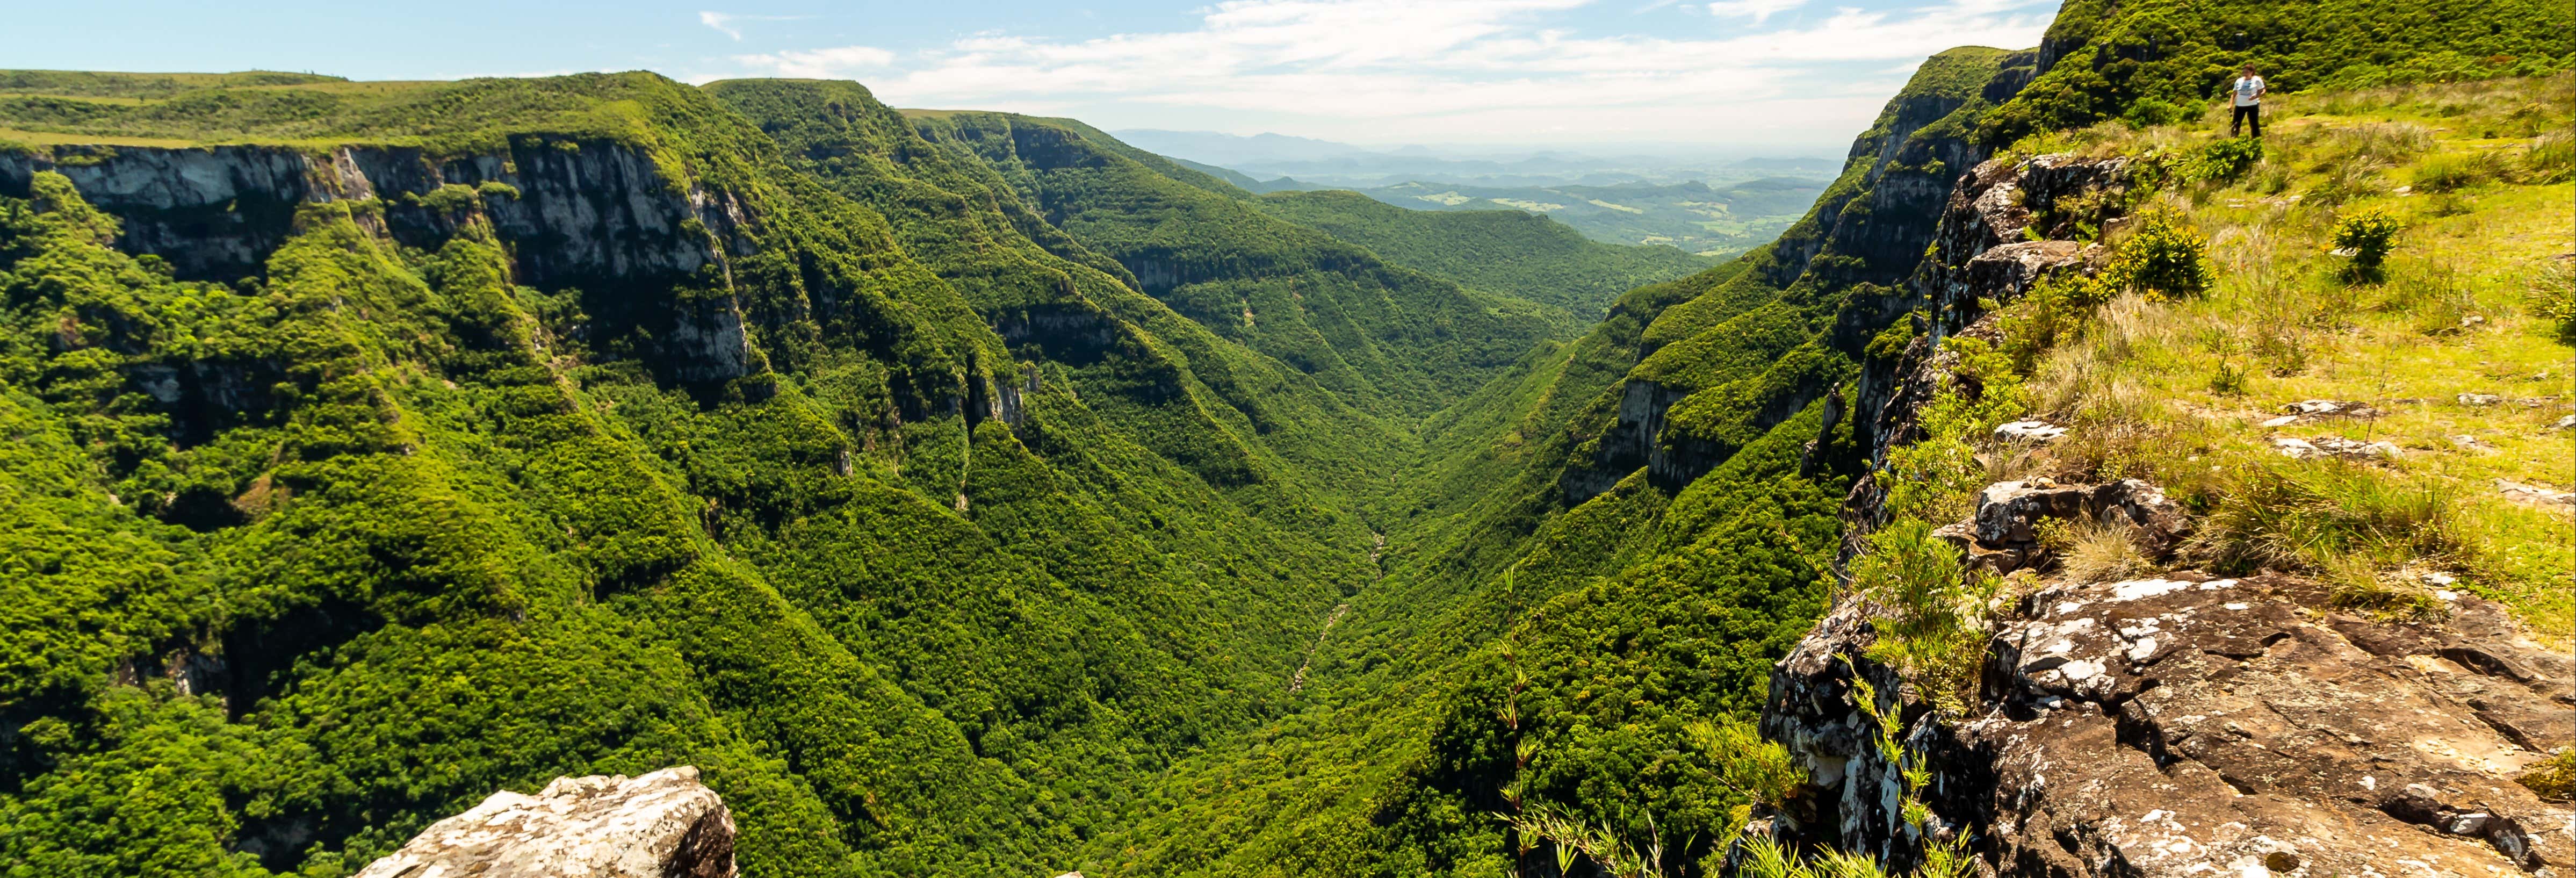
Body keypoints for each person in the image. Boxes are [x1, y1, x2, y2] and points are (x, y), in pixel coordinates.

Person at [2230, 64, 2267, 138]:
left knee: (2254, 123)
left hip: (2253, 105)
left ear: (2252, 72)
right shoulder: (2239, 81)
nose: (2245, 73)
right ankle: (2234, 138)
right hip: (2240, 105)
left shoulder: (2256, 80)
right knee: (2236, 123)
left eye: (2247, 71)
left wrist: (2256, 96)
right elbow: (2234, 94)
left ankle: (2256, 139)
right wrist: (2230, 104)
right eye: (2244, 71)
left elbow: (2263, 90)